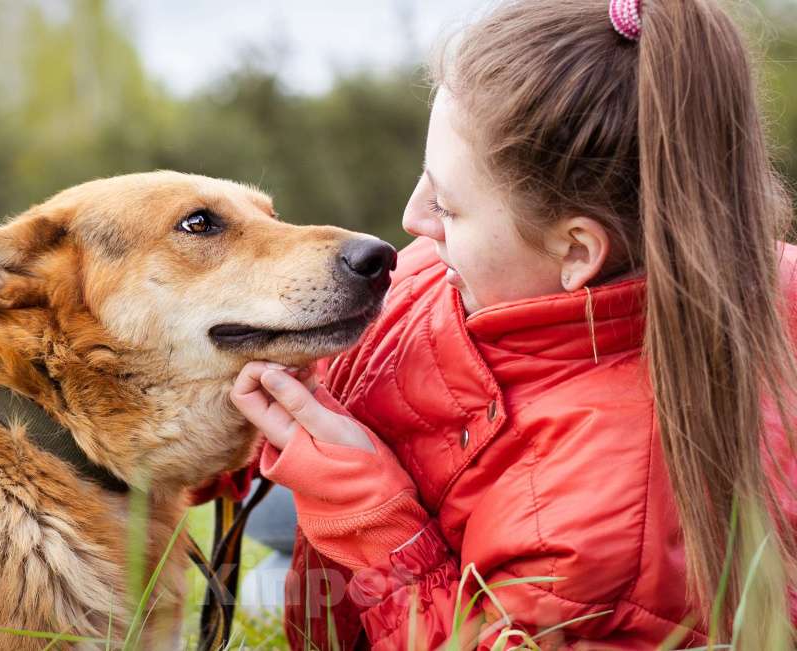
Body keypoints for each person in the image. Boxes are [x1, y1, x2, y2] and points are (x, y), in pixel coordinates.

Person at [202, 0, 797, 648]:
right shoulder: (491, 265)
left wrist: (371, 521)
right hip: (413, 495)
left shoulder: (607, 537)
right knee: (274, 526)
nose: (411, 220)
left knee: (285, 556)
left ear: (577, 251)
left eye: (447, 206)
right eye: (426, 181)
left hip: (430, 559)